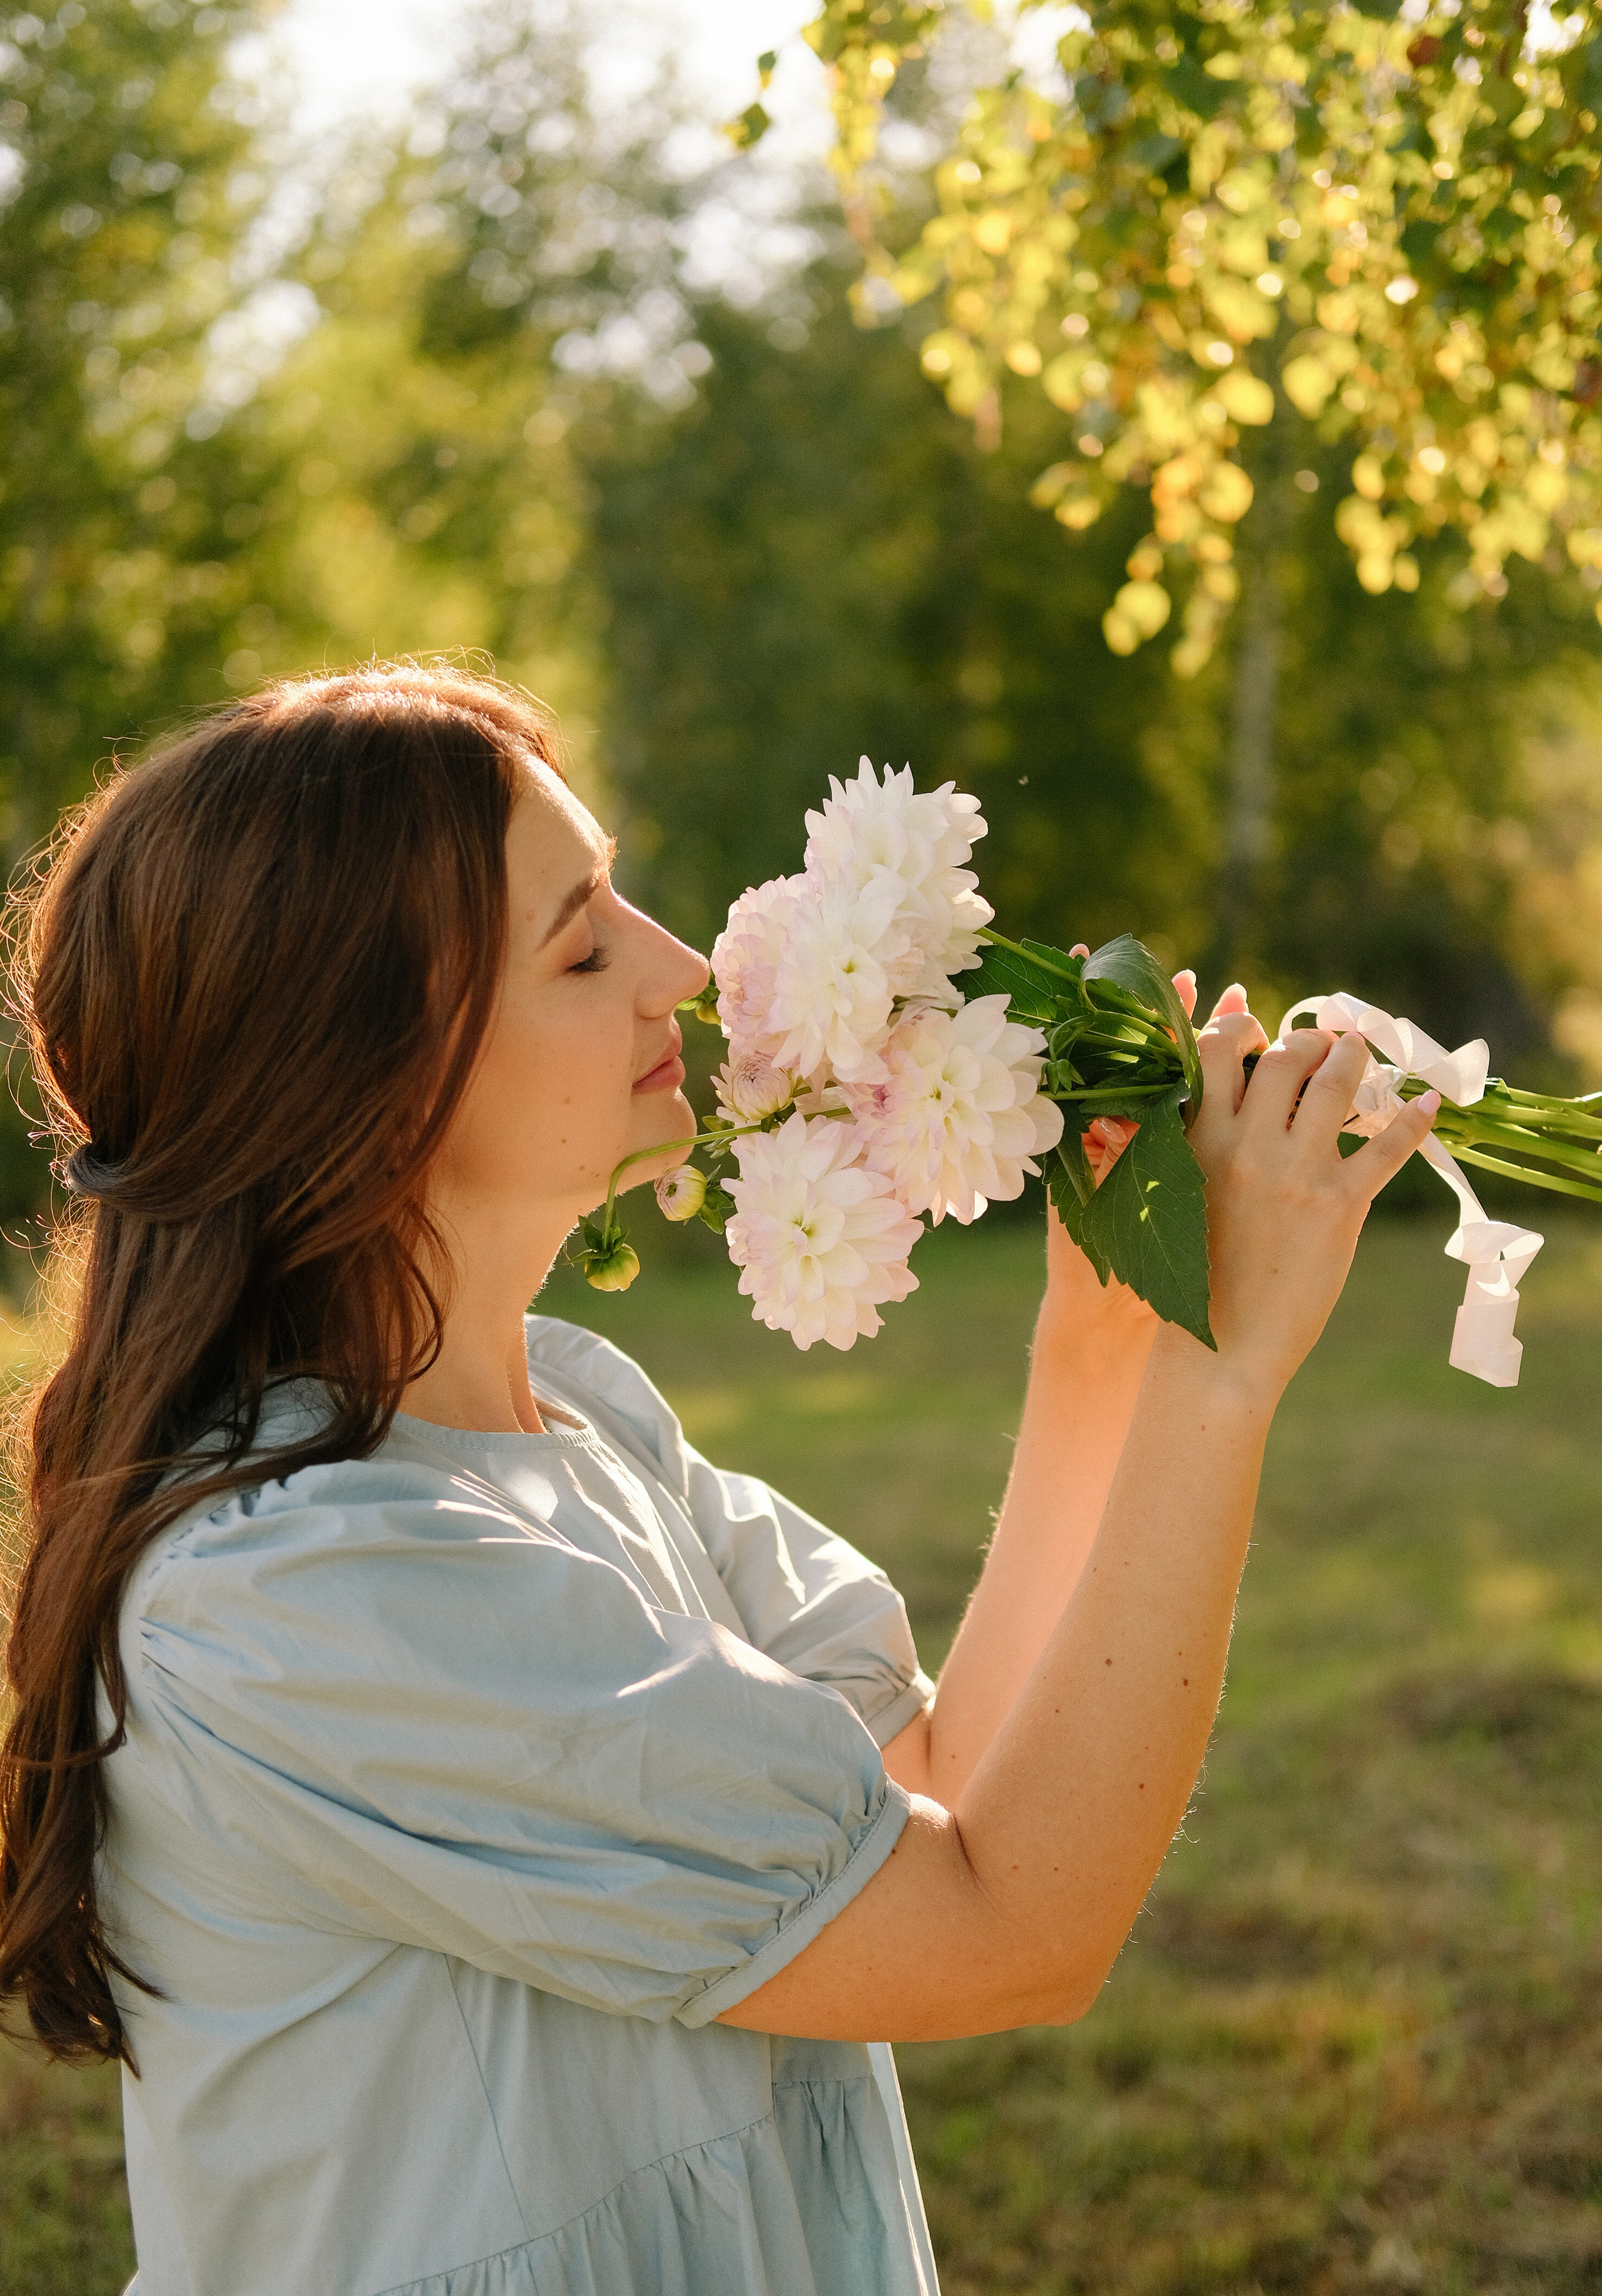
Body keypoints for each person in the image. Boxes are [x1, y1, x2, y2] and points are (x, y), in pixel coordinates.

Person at [0, 665, 1439, 2296]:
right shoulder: (302, 1596)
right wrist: (1219, 1379)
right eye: (582, 941)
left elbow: (946, 1785)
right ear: (365, 1075)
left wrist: (1110, 1335)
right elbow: (1013, 1931)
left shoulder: (584, 1416)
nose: (679, 972)